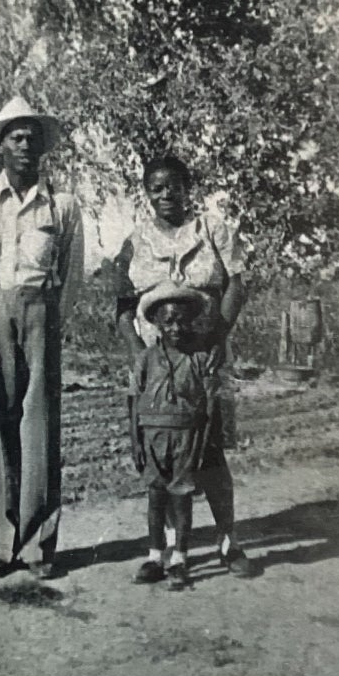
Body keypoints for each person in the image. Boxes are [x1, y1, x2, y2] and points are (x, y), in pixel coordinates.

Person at [0, 96, 84, 580]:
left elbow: (71, 276)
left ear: (44, 147)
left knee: (40, 426)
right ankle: (0, 543)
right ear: (1, 145)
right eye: (16, 137)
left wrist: (51, 320)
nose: (26, 145)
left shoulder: (62, 206)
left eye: (33, 137)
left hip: (40, 313)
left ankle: (40, 546)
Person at [114, 154, 253, 577]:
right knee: (165, 450)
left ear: (187, 187)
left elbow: (236, 285)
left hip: (207, 353)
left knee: (210, 447)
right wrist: (138, 351)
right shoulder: (135, 241)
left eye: (173, 185)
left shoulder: (214, 230)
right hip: (157, 362)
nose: (165, 194)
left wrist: (218, 336)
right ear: (147, 193)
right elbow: (121, 306)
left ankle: (228, 541)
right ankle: (172, 551)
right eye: (156, 188)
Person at [130, 281, 224, 590]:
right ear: (156, 323)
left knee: (181, 501)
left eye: (182, 320)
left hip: (187, 441)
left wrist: (203, 446)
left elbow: (210, 405)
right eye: (168, 321)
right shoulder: (145, 360)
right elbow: (134, 400)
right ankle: (156, 555)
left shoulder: (200, 358)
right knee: (156, 499)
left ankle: (180, 558)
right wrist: (136, 442)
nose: (176, 328)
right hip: (153, 441)